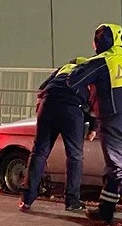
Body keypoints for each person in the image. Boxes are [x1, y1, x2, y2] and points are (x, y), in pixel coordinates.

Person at [67, 24, 122, 226]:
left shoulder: (102, 62)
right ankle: (105, 211)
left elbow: (73, 80)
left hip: (114, 119)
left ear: (101, 41)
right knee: (114, 167)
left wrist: (82, 63)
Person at [21, 57, 96, 213]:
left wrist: (40, 108)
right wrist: (93, 128)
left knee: (39, 153)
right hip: (71, 109)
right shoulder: (89, 72)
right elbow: (94, 102)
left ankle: (26, 199)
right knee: (75, 157)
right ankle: (72, 201)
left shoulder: (63, 69)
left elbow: (42, 88)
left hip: (48, 105)